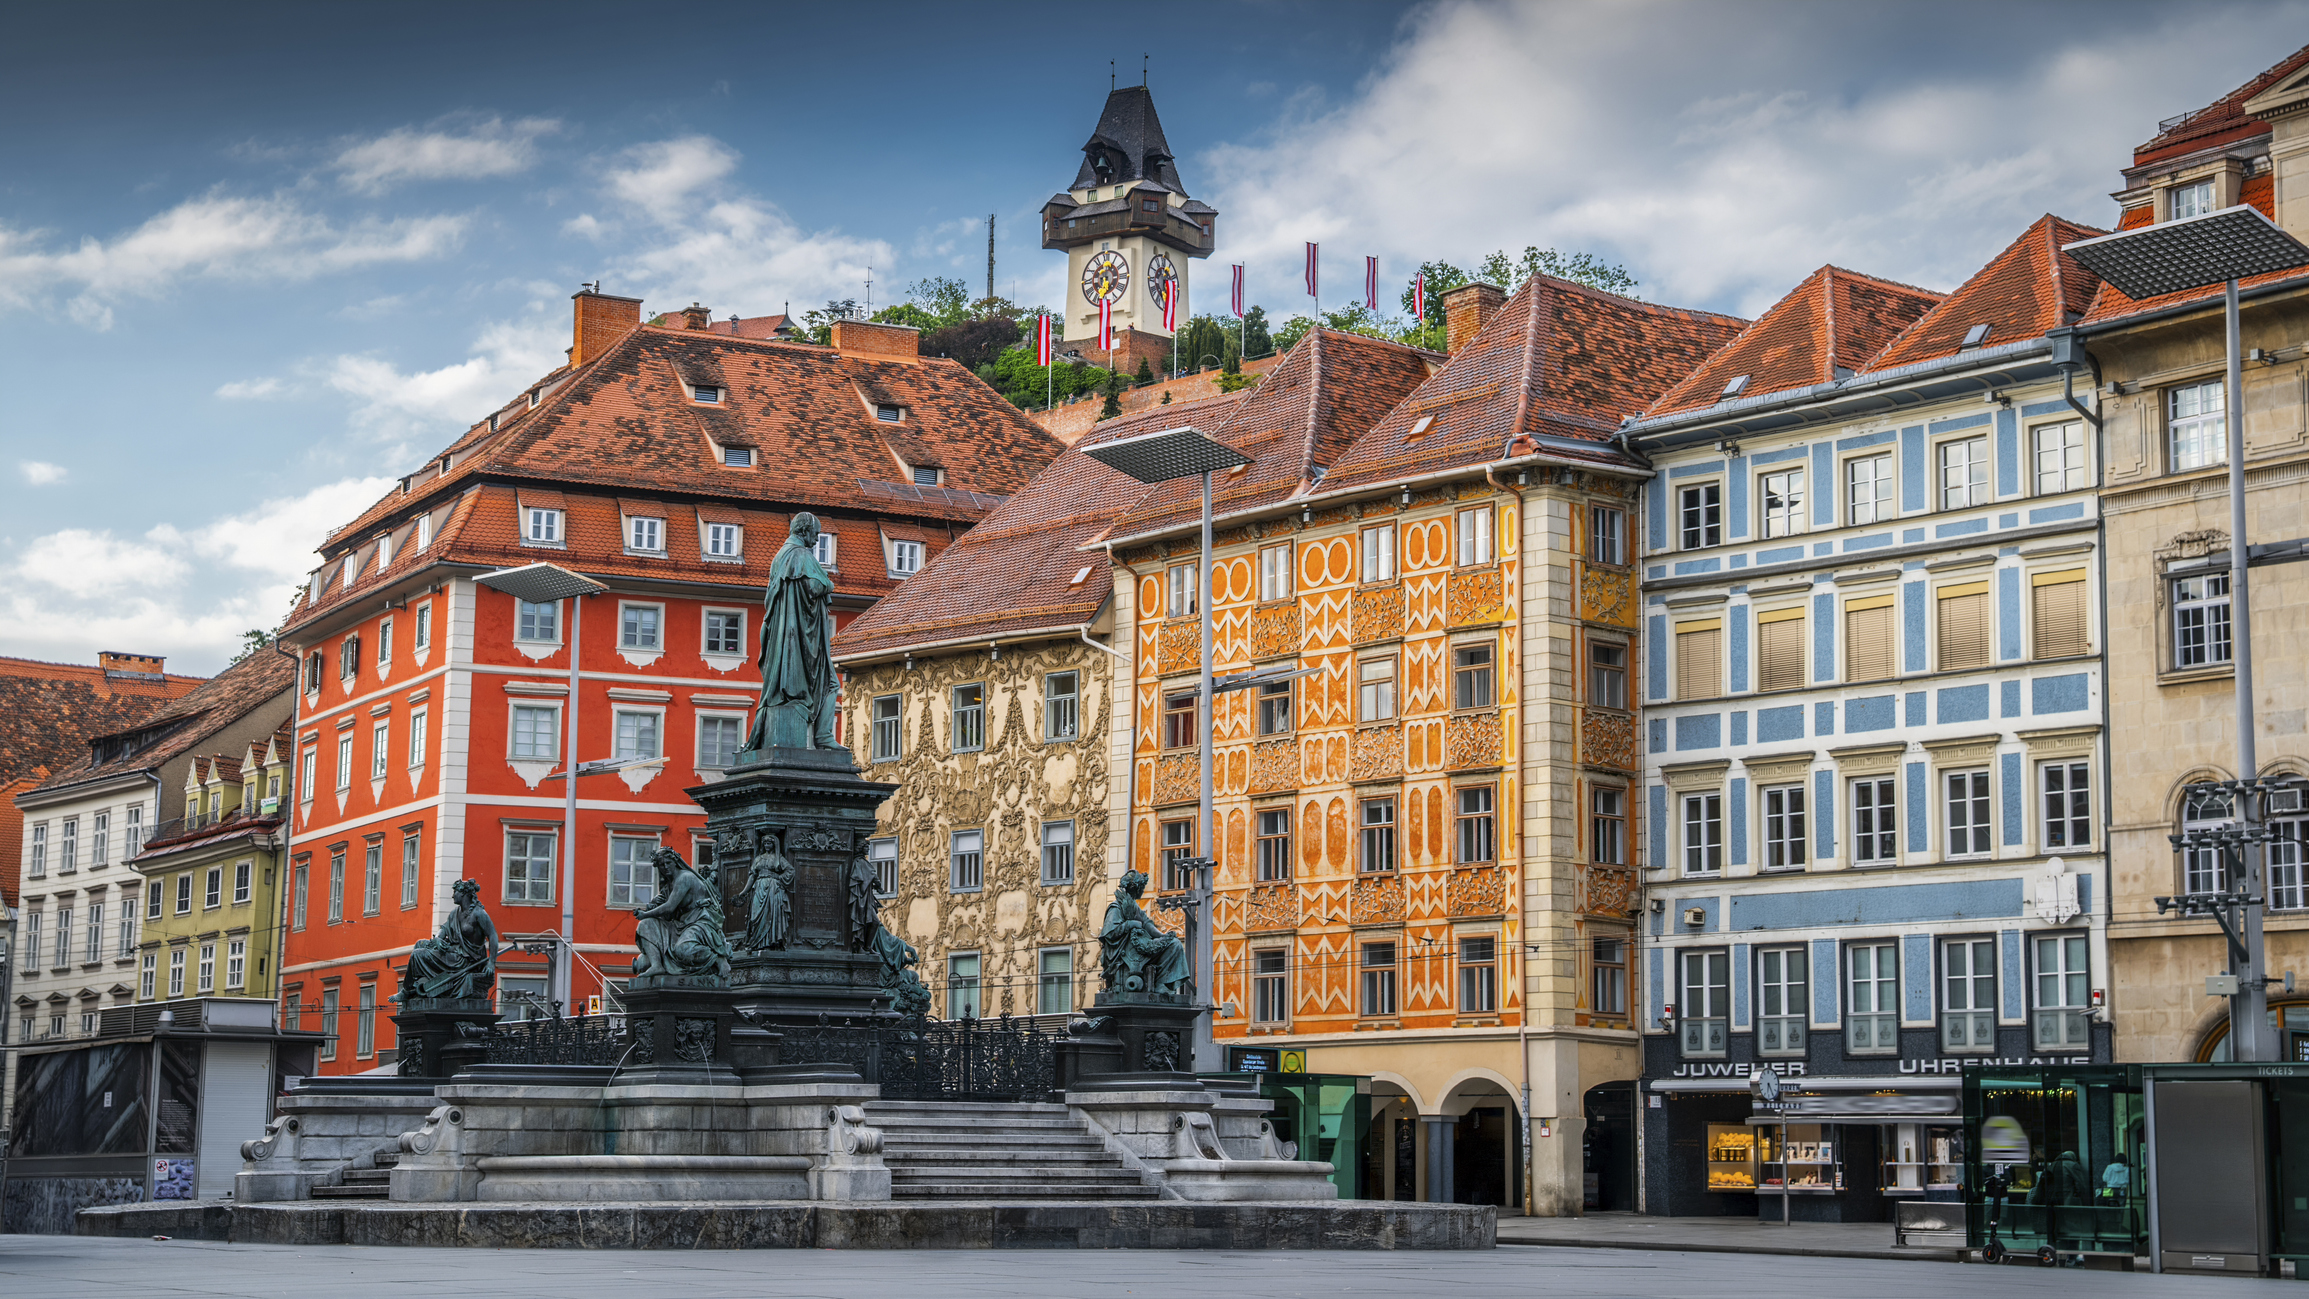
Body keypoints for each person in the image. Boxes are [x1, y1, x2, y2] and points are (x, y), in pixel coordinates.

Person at [745, 513, 838, 753]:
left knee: (823, 683)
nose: (817, 540)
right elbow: (815, 586)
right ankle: (824, 737)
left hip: (785, 637)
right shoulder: (801, 555)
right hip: (804, 637)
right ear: (804, 531)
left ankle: (823, 737)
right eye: (815, 534)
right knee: (830, 682)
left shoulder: (780, 557)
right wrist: (829, 584)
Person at [633, 848, 732, 979]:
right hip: (679, 924)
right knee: (645, 925)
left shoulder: (685, 878)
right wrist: (650, 907)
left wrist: (645, 914)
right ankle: (657, 966)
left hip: (699, 922)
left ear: (675, 861)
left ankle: (718, 958)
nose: (665, 867)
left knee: (683, 949)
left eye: (668, 862)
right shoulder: (669, 885)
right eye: (662, 865)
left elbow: (669, 907)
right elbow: (663, 904)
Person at [396, 878, 499, 1003]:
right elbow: (443, 929)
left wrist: (491, 963)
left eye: (455, 892)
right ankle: (416, 988)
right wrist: (438, 940)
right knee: (420, 944)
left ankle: (406, 991)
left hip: (466, 959)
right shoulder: (455, 913)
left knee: (417, 955)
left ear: (463, 894)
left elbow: (493, 936)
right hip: (453, 952)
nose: (452, 896)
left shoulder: (479, 914)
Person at [1098, 869, 1192, 996]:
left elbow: (1147, 924)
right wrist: (1131, 924)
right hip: (1126, 953)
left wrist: (1163, 937)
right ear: (1135, 888)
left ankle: (1161, 984)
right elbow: (1110, 933)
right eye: (1142, 888)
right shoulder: (1116, 907)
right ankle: (1159, 985)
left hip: (1141, 947)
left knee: (1175, 944)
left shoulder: (1134, 906)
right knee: (1174, 944)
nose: (1143, 891)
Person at [744, 833, 795, 952]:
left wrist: (778, 879)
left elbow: (790, 870)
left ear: (774, 845)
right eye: (765, 843)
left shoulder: (778, 858)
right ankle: (756, 942)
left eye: (769, 843)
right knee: (755, 916)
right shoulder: (759, 859)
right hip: (759, 887)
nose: (767, 845)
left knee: (771, 915)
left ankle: (771, 941)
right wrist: (743, 892)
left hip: (773, 888)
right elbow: (752, 876)